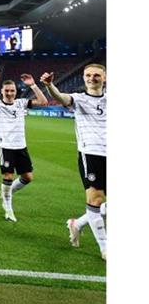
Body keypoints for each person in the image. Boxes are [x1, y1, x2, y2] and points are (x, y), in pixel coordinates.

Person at [41, 64, 107, 260]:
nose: (92, 78)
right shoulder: (78, 99)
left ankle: (77, 224)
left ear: (105, 77)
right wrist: (49, 85)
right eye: (88, 75)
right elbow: (62, 97)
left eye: (96, 75)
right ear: (83, 78)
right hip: (91, 153)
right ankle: (105, 247)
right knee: (95, 200)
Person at [0, 70, 48, 222]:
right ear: (2, 91)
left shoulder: (21, 103)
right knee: (8, 176)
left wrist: (33, 85)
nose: (10, 93)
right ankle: (8, 208)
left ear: (16, 91)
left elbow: (43, 102)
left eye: (12, 90)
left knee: (28, 177)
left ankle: (7, 192)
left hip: (21, 146)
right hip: (5, 146)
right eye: (7, 91)